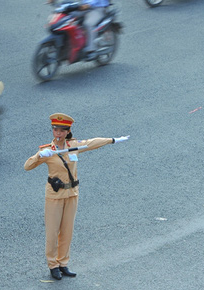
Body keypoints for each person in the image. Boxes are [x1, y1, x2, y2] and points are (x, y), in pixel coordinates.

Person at [24, 113, 129, 280]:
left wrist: (113, 140)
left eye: (61, 130)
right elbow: (27, 166)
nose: (57, 133)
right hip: (55, 195)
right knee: (52, 232)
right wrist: (39, 156)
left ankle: (63, 263)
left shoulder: (73, 146)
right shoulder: (47, 150)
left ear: (67, 132)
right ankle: (53, 265)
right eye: (55, 130)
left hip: (72, 193)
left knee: (67, 231)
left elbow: (92, 143)